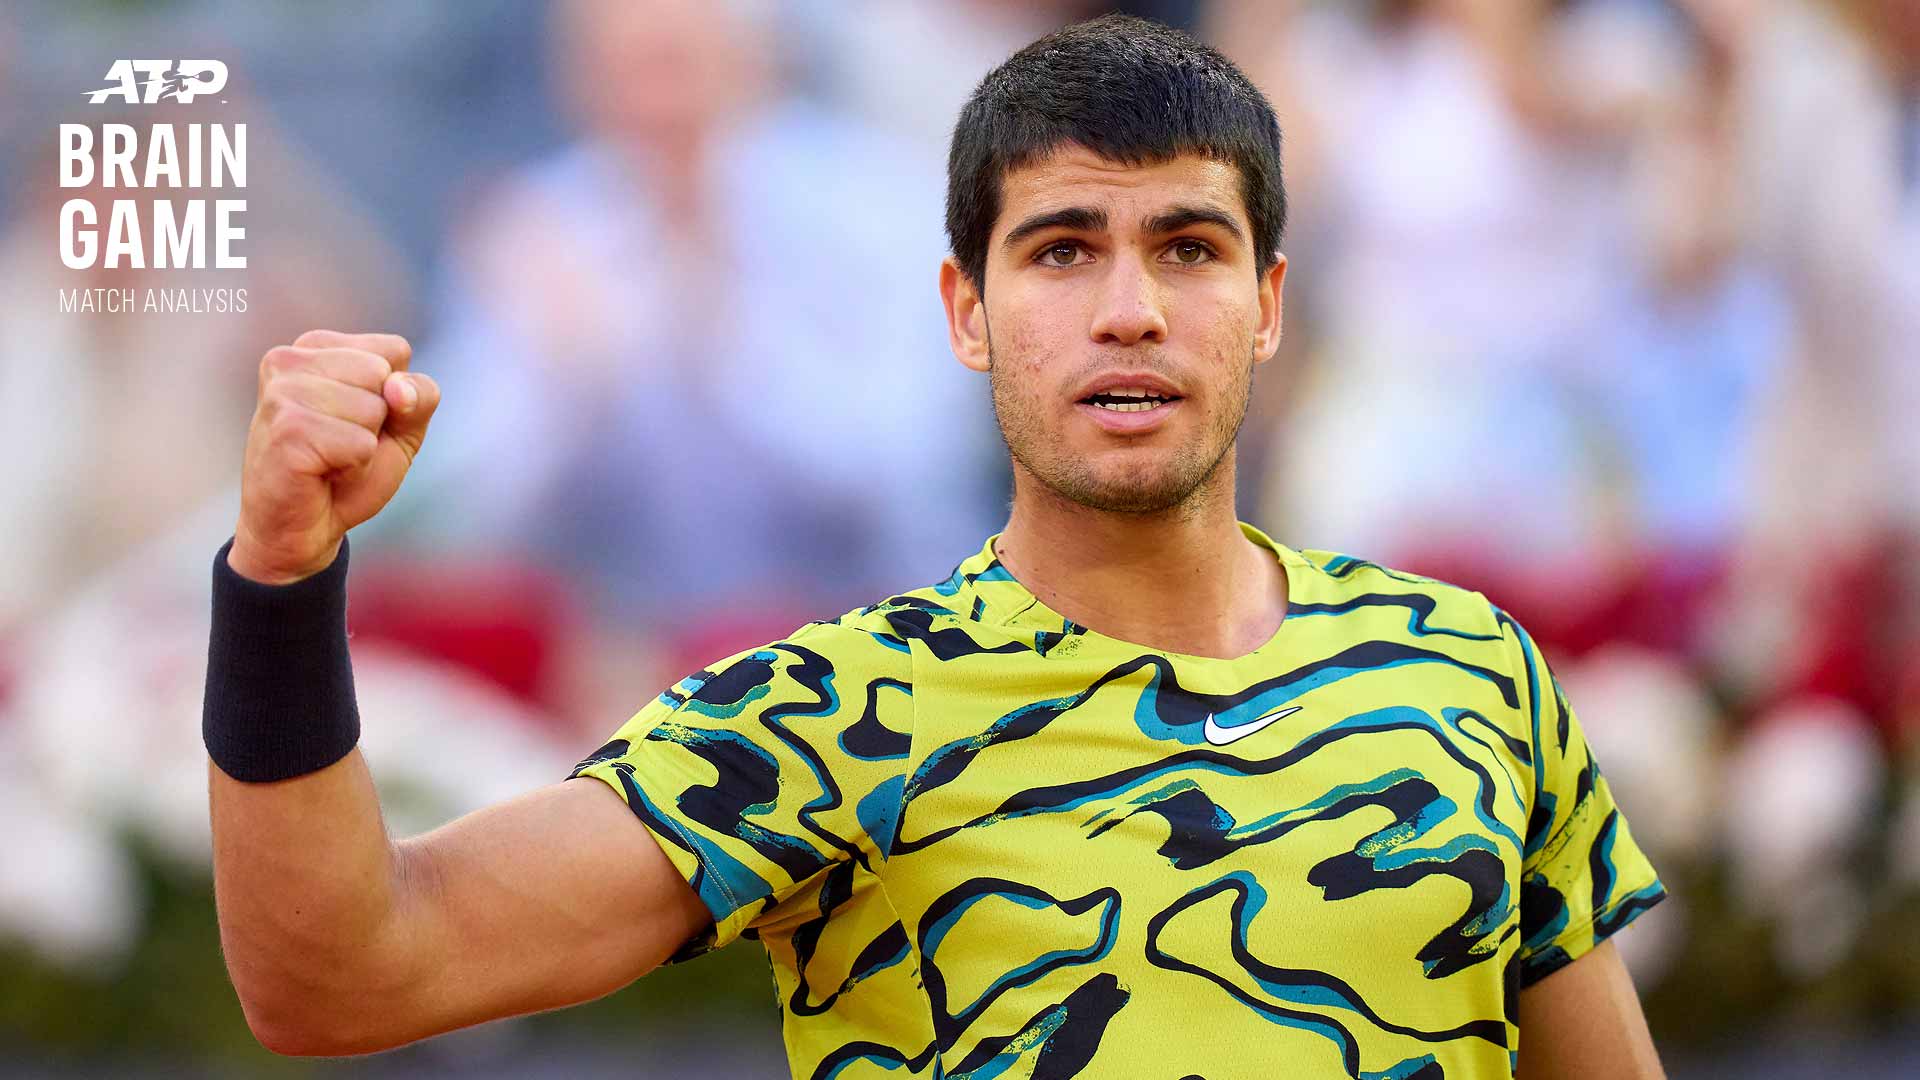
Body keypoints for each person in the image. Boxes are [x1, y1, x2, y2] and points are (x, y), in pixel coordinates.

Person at [205, 15, 1668, 1078]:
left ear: (1272, 304)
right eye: (1062, 249)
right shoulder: (834, 714)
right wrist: (277, 584)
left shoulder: (1473, 669)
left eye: (1190, 248)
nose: (1130, 311)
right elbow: (343, 974)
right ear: (966, 311)